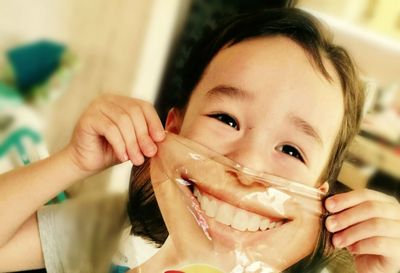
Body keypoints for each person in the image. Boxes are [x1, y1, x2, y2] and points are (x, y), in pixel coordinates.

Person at [0, 7, 399, 273]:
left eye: (291, 150)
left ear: (321, 198)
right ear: (170, 129)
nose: (248, 166)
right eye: (226, 119)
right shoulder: (110, 230)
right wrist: (72, 162)